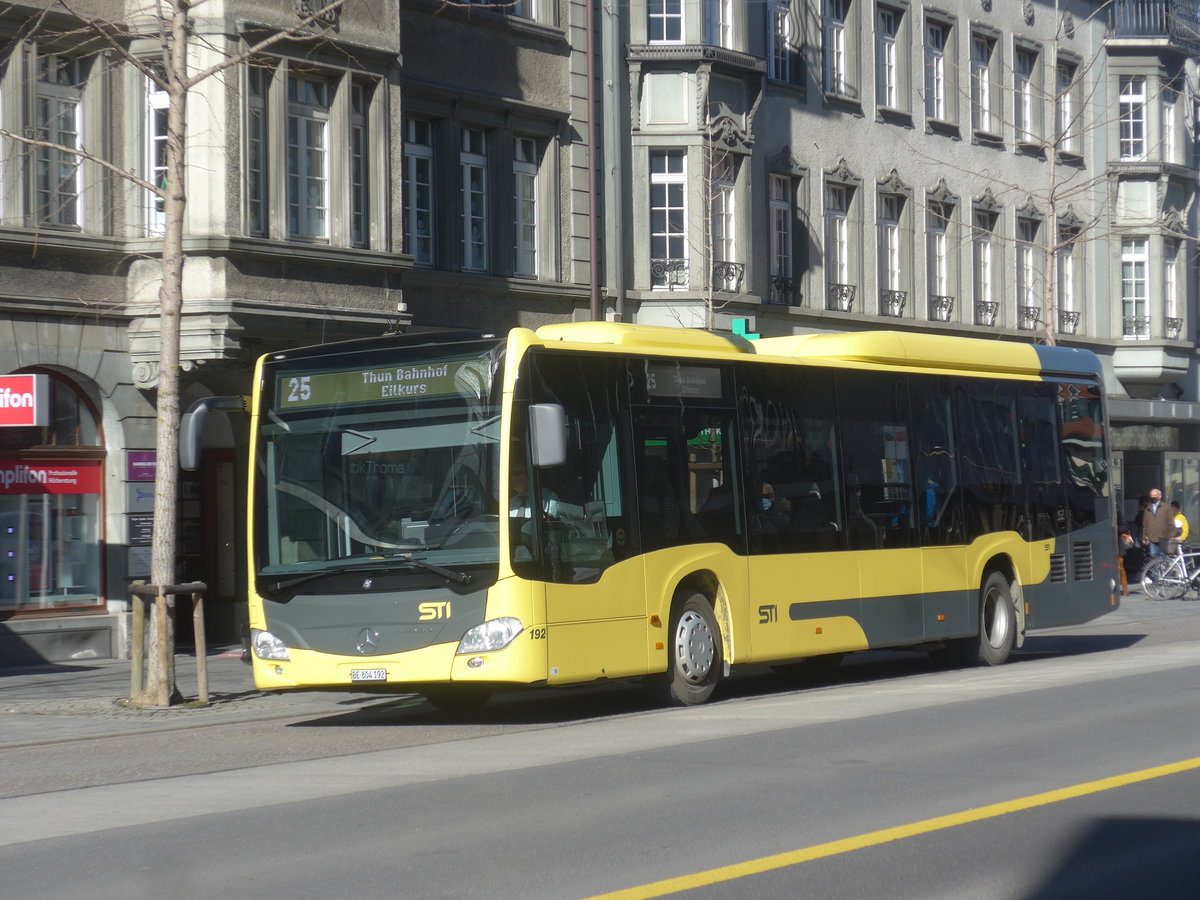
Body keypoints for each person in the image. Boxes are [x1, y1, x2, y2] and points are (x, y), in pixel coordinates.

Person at [1141, 488, 1174, 559]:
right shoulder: (1148, 508)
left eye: (1155, 496)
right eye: (1151, 496)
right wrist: (1145, 537)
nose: (1153, 498)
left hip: (1164, 538)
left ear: (1160, 496)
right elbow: (1145, 524)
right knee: (1154, 560)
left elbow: (1171, 523)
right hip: (1152, 539)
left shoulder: (1166, 507)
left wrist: (1171, 536)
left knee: (1163, 560)